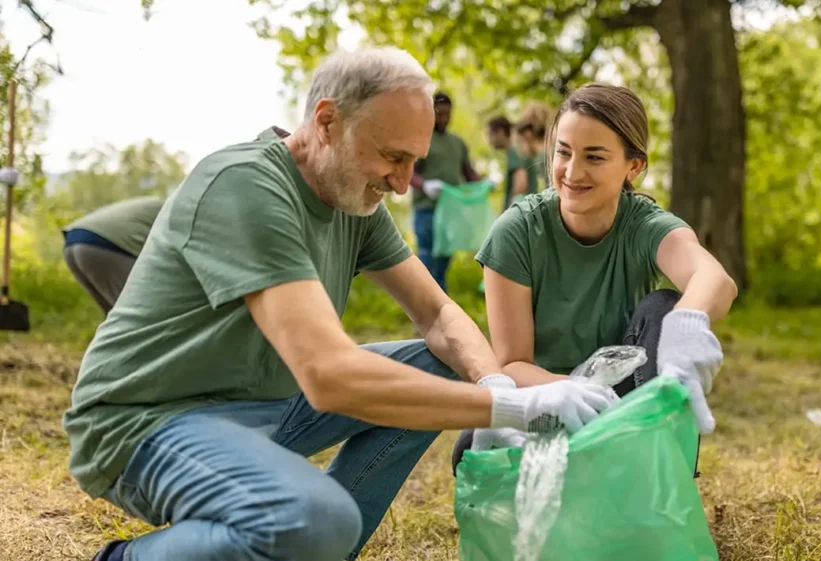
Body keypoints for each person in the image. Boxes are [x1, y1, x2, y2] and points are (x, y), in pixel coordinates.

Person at [65, 48, 619, 561]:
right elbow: (328, 375)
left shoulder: (357, 205)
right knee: (314, 519)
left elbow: (438, 315)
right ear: (327, 122)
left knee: (440, 363)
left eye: (414, 162)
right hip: (145, 422)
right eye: (392, 157)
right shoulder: (245, 185)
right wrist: (519, 407)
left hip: (265, 407)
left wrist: (493, 383)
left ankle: (316, 548)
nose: (403, 185)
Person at [451, 83, 738, 470]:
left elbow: (712, 278)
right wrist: (573, 390)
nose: (572, 172)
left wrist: (688, 324)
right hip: (543, 401)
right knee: (470, 446)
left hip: (624, 403)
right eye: (564, 152)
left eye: (594, 157)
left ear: (633, 166)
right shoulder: (517, 231)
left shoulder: (643, 225)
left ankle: (661, 472)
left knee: (665, 308)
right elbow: (512, 364)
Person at [409, 91, 486, 292]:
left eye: (447, 113)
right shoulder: (422, 140)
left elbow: (468, 173)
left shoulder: (457, 144)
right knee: (427, 259)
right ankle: (422, 308)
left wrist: (485, 184)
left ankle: (439, 308)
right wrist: (424, 185)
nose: (443, 118)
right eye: (439, 113)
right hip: (427, 210)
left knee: (443, 260)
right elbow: (409, 172)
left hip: (451, 211)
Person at [62, 196, 166, 314]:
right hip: (106, 243)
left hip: (72, 242)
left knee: (113, 316)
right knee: (140, 314)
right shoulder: (180, 213)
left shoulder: (165, 205)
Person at [486, 115, 532, 210]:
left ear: (500, 132)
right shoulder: (518, 150)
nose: (489, 141)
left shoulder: (514, 150)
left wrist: (510, 214)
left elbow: (521, 184)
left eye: (490, 134)